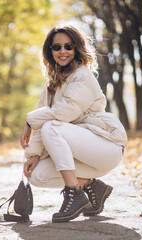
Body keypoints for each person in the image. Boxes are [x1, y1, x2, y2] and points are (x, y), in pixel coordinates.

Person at [20, 23, 127, 223]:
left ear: (76, 49)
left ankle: (74, 195)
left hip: (105, 146)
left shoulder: (82, 75)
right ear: (49, 51)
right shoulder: (50, 85)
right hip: (80, 153)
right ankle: (92, 186)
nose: (63, 51)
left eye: (68, 46)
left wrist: (29, 120)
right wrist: (34, 154)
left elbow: (64, 113)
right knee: (35, 175)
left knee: (52, 125)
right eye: (57, 47)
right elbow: (45, 123)